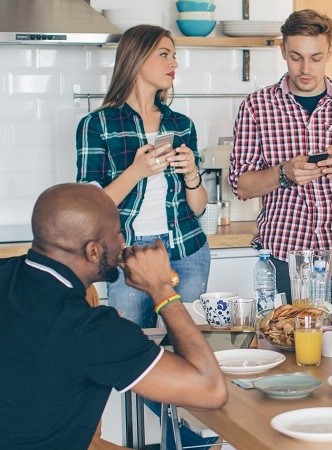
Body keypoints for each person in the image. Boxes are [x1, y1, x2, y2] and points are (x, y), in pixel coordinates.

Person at [0, 183, 227, 450]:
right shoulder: (91, 329)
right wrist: (161, 288)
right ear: (93, 251)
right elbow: (211, 389)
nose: (123, 242)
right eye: (118, 233)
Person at [229, 9, 332, 304]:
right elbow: (242, 185)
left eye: (316, 58)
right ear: (283, 50)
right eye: (296, 56)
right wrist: (283, 173)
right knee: (287, 340)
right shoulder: (255, 106)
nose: (305, 68)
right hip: (283, 253)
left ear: (329, 53)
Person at [76, 25, 210, 328]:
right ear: (136, 58)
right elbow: (90, 206)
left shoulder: (181, 124)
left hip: (188, 251)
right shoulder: (96, 125)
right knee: (132, 345)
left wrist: (192, 175)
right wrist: (137, 171)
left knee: (185, 347)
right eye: (164, 54)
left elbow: (199, 207)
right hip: (129, 256)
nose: (174, 63)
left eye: (174, 56)